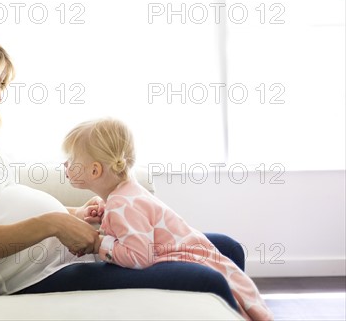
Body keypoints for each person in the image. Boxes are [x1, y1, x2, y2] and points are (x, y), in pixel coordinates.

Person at [0, 26, 245, 310]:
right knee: (207, 279)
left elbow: (2, 201)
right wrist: (55, 223)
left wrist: (75, 214)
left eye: (0, 86)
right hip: (34, 277)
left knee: (226, 248)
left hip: (69, 254)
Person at [62, 118, 273, 320]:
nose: (65, 164)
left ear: (95, 170)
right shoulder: (127, 192)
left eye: (71, 160)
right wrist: (106, 211)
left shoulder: (121, 204)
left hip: (177, 255)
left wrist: (100, 243)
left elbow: (139, 256)